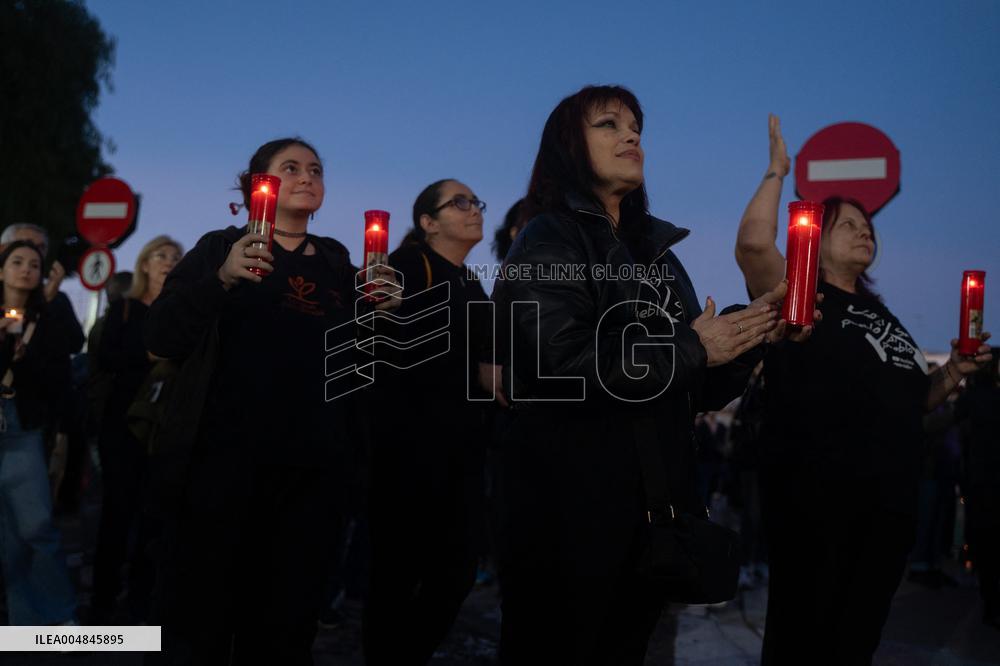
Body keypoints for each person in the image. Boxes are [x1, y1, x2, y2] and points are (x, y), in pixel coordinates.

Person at [491, 85, 786, 665]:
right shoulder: (548, 237)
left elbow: (692, 387)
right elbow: (561, 368)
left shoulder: (655, 252)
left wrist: (750, 336)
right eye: (608, 125)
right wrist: (692, 347)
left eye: (636, 128)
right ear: (568, 148)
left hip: (650, 513)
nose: (631, 137)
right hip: (569, 509)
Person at [735, 114, 993, 664]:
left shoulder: (884, 315)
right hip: (818, 505)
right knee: (804, 642)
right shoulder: (799, 298)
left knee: (854, 643)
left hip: (886, 510)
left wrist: (950, 377)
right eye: (847, 224)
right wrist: (778, 171)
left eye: (868, 224)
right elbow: (754, 243)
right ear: (812, 239)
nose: (865, 230)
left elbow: (910, 401)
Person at [143, 137, 399, 664]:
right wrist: (220, 281)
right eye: (291, 168)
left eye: (316, 169)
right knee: (202, 624)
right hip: (223, 471)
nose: (307, 176)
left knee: (284, 630)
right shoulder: (221, 248)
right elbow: (161, 338)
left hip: (310, 478)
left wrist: (381, 319)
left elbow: (360, 370)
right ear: (259, 184)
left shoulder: (339, 266)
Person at [364, 179, 495, 664]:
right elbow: (386, 344)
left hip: (462, 448)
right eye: (459, 202)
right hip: (407, 448)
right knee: (395, 576)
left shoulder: (470, 280)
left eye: (476, 202)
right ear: (427, 221)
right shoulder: (402, 267)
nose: (474, 210)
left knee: (457, 571)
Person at [91, 236, 182, 623]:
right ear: (145, 264)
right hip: (123, 423)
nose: (169, 262)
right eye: (161, 255)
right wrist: (147, 354)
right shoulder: (125, 309)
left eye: (176, 258)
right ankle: (102, 598)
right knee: (117, 512)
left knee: (154, 516)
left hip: (166, 427)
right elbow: (106, 357)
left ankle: (142, 600)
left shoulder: (184, 314)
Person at [0, 240, 77, 625]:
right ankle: (24, 623)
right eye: (17, 262)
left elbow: (58, 377)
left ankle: (62, 617)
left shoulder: (48, 316)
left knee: (37, 525)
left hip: (20, 426)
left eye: (34, 263)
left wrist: (24, 354)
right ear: (1, 270)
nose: (26, 269)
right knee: (7, 538)